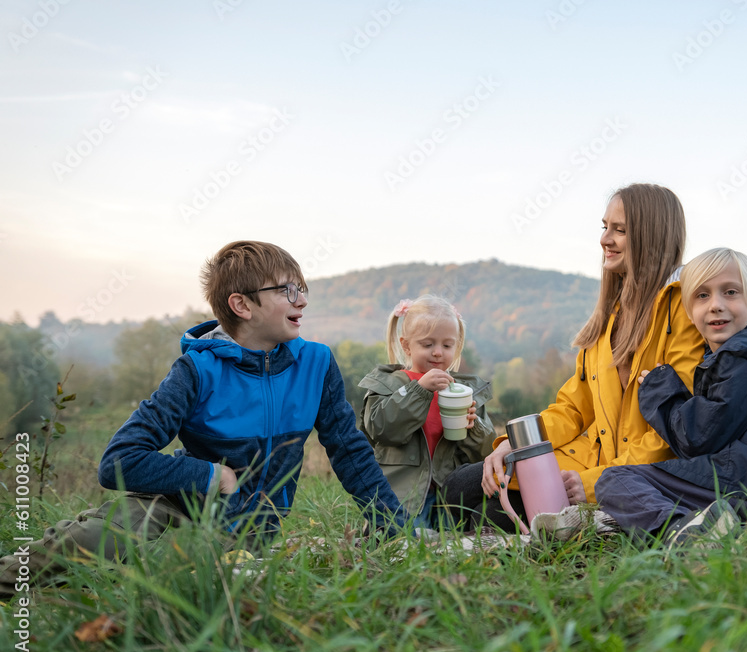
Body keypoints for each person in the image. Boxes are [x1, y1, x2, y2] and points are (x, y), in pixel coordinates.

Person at [0, 240, 404, 598]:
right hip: (175, 506)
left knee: (173, 588)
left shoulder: (316, 363)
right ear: (242, 305)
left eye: (302, 289)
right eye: (286, 290)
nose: (301, 300)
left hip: (247, 535)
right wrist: (211, 476)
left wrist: (394, 528)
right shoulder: (196, 370)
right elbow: (118, 461)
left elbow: (348, 449)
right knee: (92, 543)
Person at [444, 183, 705, 531]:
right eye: (605, 226)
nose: (605, 239)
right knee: (459, 485)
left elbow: (672, 432)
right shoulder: (610, 316)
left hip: (636, 475)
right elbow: (572, 409)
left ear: (652, 237)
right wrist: (515, 445)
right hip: (587, 459)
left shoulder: (685, 314)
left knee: (489, 516)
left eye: (620, 230)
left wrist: (596, 483)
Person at [595, 248, 747, 547]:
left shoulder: (745, 358)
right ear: (689, 312)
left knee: (616, 480)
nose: (716, 305)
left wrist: (660, 389)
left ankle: (684, 532)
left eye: (730, 292)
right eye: (702, 296)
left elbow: (697, 438)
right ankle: (711, 520)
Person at [358, 295, 494, 529]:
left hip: (448, 498)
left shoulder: (463, 392)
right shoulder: (388, 385)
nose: (438, 353)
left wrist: (475, 427)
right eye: (428, 344)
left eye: (447, 345)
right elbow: (380, 429)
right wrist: (418, 390)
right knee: (403, 547)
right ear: (406, 345)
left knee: (450, 550)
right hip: (403, 496)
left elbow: (485, 454)